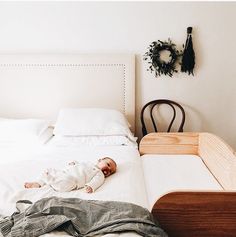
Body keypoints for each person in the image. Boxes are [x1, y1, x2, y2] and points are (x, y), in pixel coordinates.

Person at [24, 157, 117, 193]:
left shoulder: (99, 174)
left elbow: (98, 181)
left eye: (111, 171)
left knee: (66, 180)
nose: (108, 170)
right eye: (108, 165)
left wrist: (91, 186)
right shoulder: (88, 162)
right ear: (100, 160)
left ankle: (50, 180)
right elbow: (79, 165)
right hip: (63, 174)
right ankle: (38, 183)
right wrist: (74, 163)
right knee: (49, 170)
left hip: (72, 182)